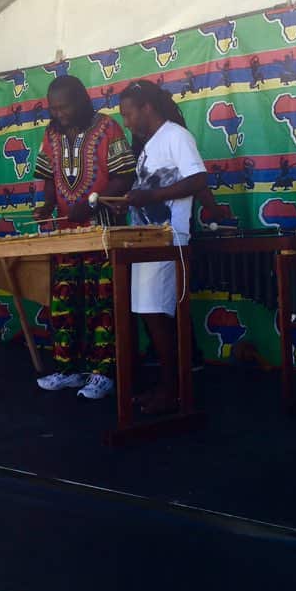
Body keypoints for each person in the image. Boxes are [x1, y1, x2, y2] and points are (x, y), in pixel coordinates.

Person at [31, 75, 136, 399]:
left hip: (103, 233)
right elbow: (49, 175)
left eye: (64, 107)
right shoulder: (51, 134)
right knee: (65, 303)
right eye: (53, 108)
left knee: (100, 304)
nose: (58, 113)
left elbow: (124, 177)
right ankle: (68, 369)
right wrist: (48, 204)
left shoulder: (109, 129)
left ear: (81, 101)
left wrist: (90, 205)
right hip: (66, 235)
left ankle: (102, 374)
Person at [117, 80, 207, 414]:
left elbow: (198, 180)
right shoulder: (148, 144)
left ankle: (173, 391)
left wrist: (150, 196)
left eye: (128, 114)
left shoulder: (176, 136)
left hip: (169, 239)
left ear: (147, 108)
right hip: (146, 239)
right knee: (149, 314)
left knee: (159, 316)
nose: (126, 121)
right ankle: (167, 387)